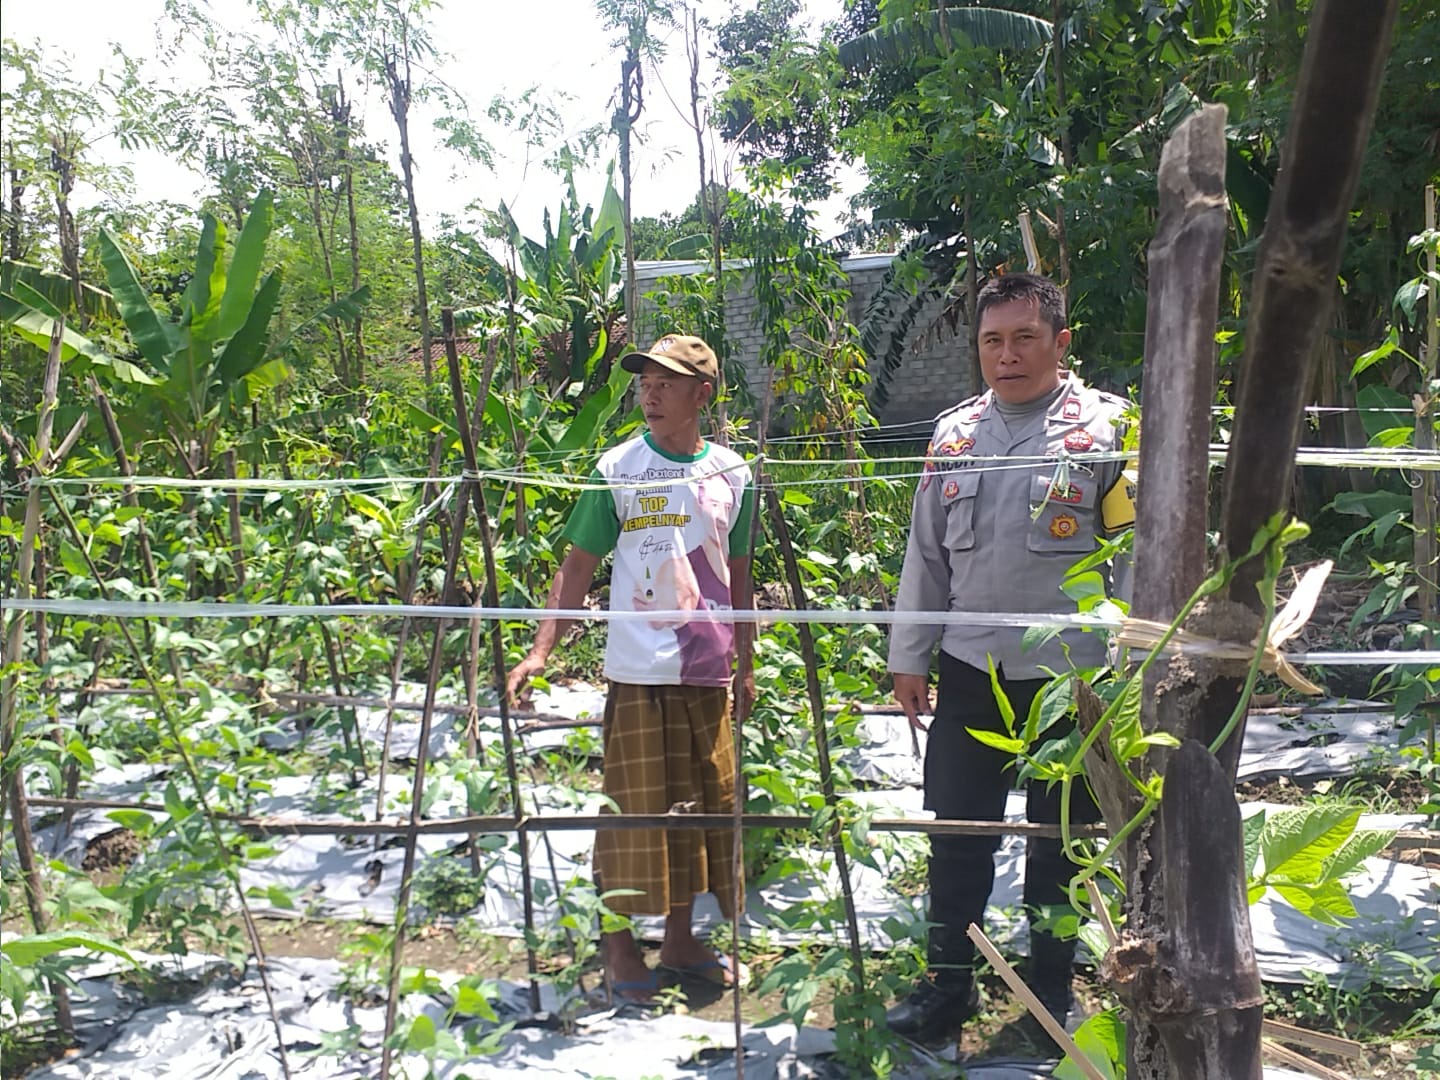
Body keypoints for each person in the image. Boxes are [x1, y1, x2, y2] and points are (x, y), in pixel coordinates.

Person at [886, 272, 1136, 1043]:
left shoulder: (1109, 432)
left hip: (1076, 680)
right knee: (958, 837)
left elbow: (1133, 557)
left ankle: (1050, 993)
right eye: (992, 340)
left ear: (1060, 343)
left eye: (1025, 337)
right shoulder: (954, 434)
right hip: (970, 671)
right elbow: (924, 556)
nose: (1007, 355)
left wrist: (1132, 669)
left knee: (1060, 843)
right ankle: (947, 993)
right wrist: (909, 656)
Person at [505, 333, 755, 1001]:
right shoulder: (618, 468)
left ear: (702, 393)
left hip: (707, 673)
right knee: (632, 814)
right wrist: (541, 651)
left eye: (667, 381)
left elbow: (739, 575)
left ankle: (678, 942)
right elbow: (577, 568)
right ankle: (617, 946)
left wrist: (747, 665)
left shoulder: (733, 473)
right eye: (645, 378)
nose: (650, 391)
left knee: (697, 811)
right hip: (640, 672)